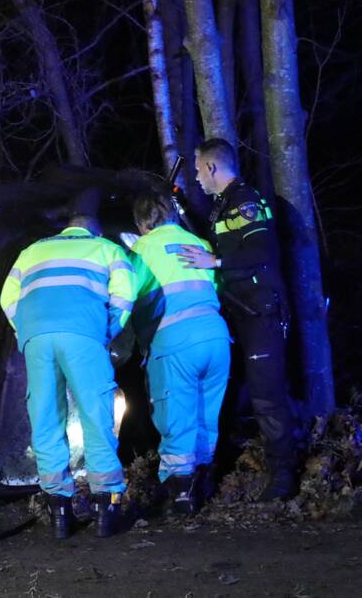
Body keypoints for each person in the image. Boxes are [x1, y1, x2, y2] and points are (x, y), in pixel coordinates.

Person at [0, 188, 135, 538]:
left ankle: (59, 511)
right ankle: (106, 509)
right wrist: (105, 330)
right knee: (96, 414)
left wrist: (25, 328)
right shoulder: (107, 249)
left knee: (46, 417)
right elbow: (125, 295)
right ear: (95, 231)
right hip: (83, 334)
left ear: (67, 229)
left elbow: (7, 297)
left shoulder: (32, 251)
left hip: (36, 338)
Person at [177, 138, 300, 501]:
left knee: (267, 394)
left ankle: (284, 476)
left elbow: (262, 251)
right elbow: (219, 241)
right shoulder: (224, 205)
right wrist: (183, 207)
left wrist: (215, 263)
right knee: (235, 394)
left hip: (262, 311)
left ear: (212, 167)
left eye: (198, 170)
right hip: (238, 311)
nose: (197, 177)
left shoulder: (245, 201)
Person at [127, 190, 231, 514]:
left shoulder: (142, 249)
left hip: (175, 340)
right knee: (206, 413)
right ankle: (204, 481)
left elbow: (128, 294)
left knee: (176, 415)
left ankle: (180, 492)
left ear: (142, 223)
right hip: (216, 336)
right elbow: (217, 285)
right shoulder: (198, 242)